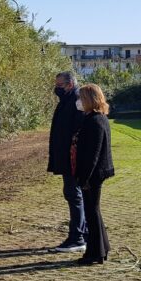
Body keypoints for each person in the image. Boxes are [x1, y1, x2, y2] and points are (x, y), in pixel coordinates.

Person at [73, 84, 114, 265]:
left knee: (92, 212)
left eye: (81, 98)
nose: (79, 102)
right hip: (94, 173)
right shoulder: (95, 118)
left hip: (93, 174)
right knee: (93, 211)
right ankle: (102, 248)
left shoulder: (95, 121)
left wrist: (85, 178)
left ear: (89, 99)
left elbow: (93, 153)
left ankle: (95, 253)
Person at [47, 71, 87, 252]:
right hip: (66, 156)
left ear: (70, 84)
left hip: (73, 158)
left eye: (60, 85)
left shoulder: (77, 100)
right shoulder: (67, 100)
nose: (57, 88)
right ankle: (82, 233)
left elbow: (80, 130)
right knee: (73, 194)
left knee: (74, 194)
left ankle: (77, 237)